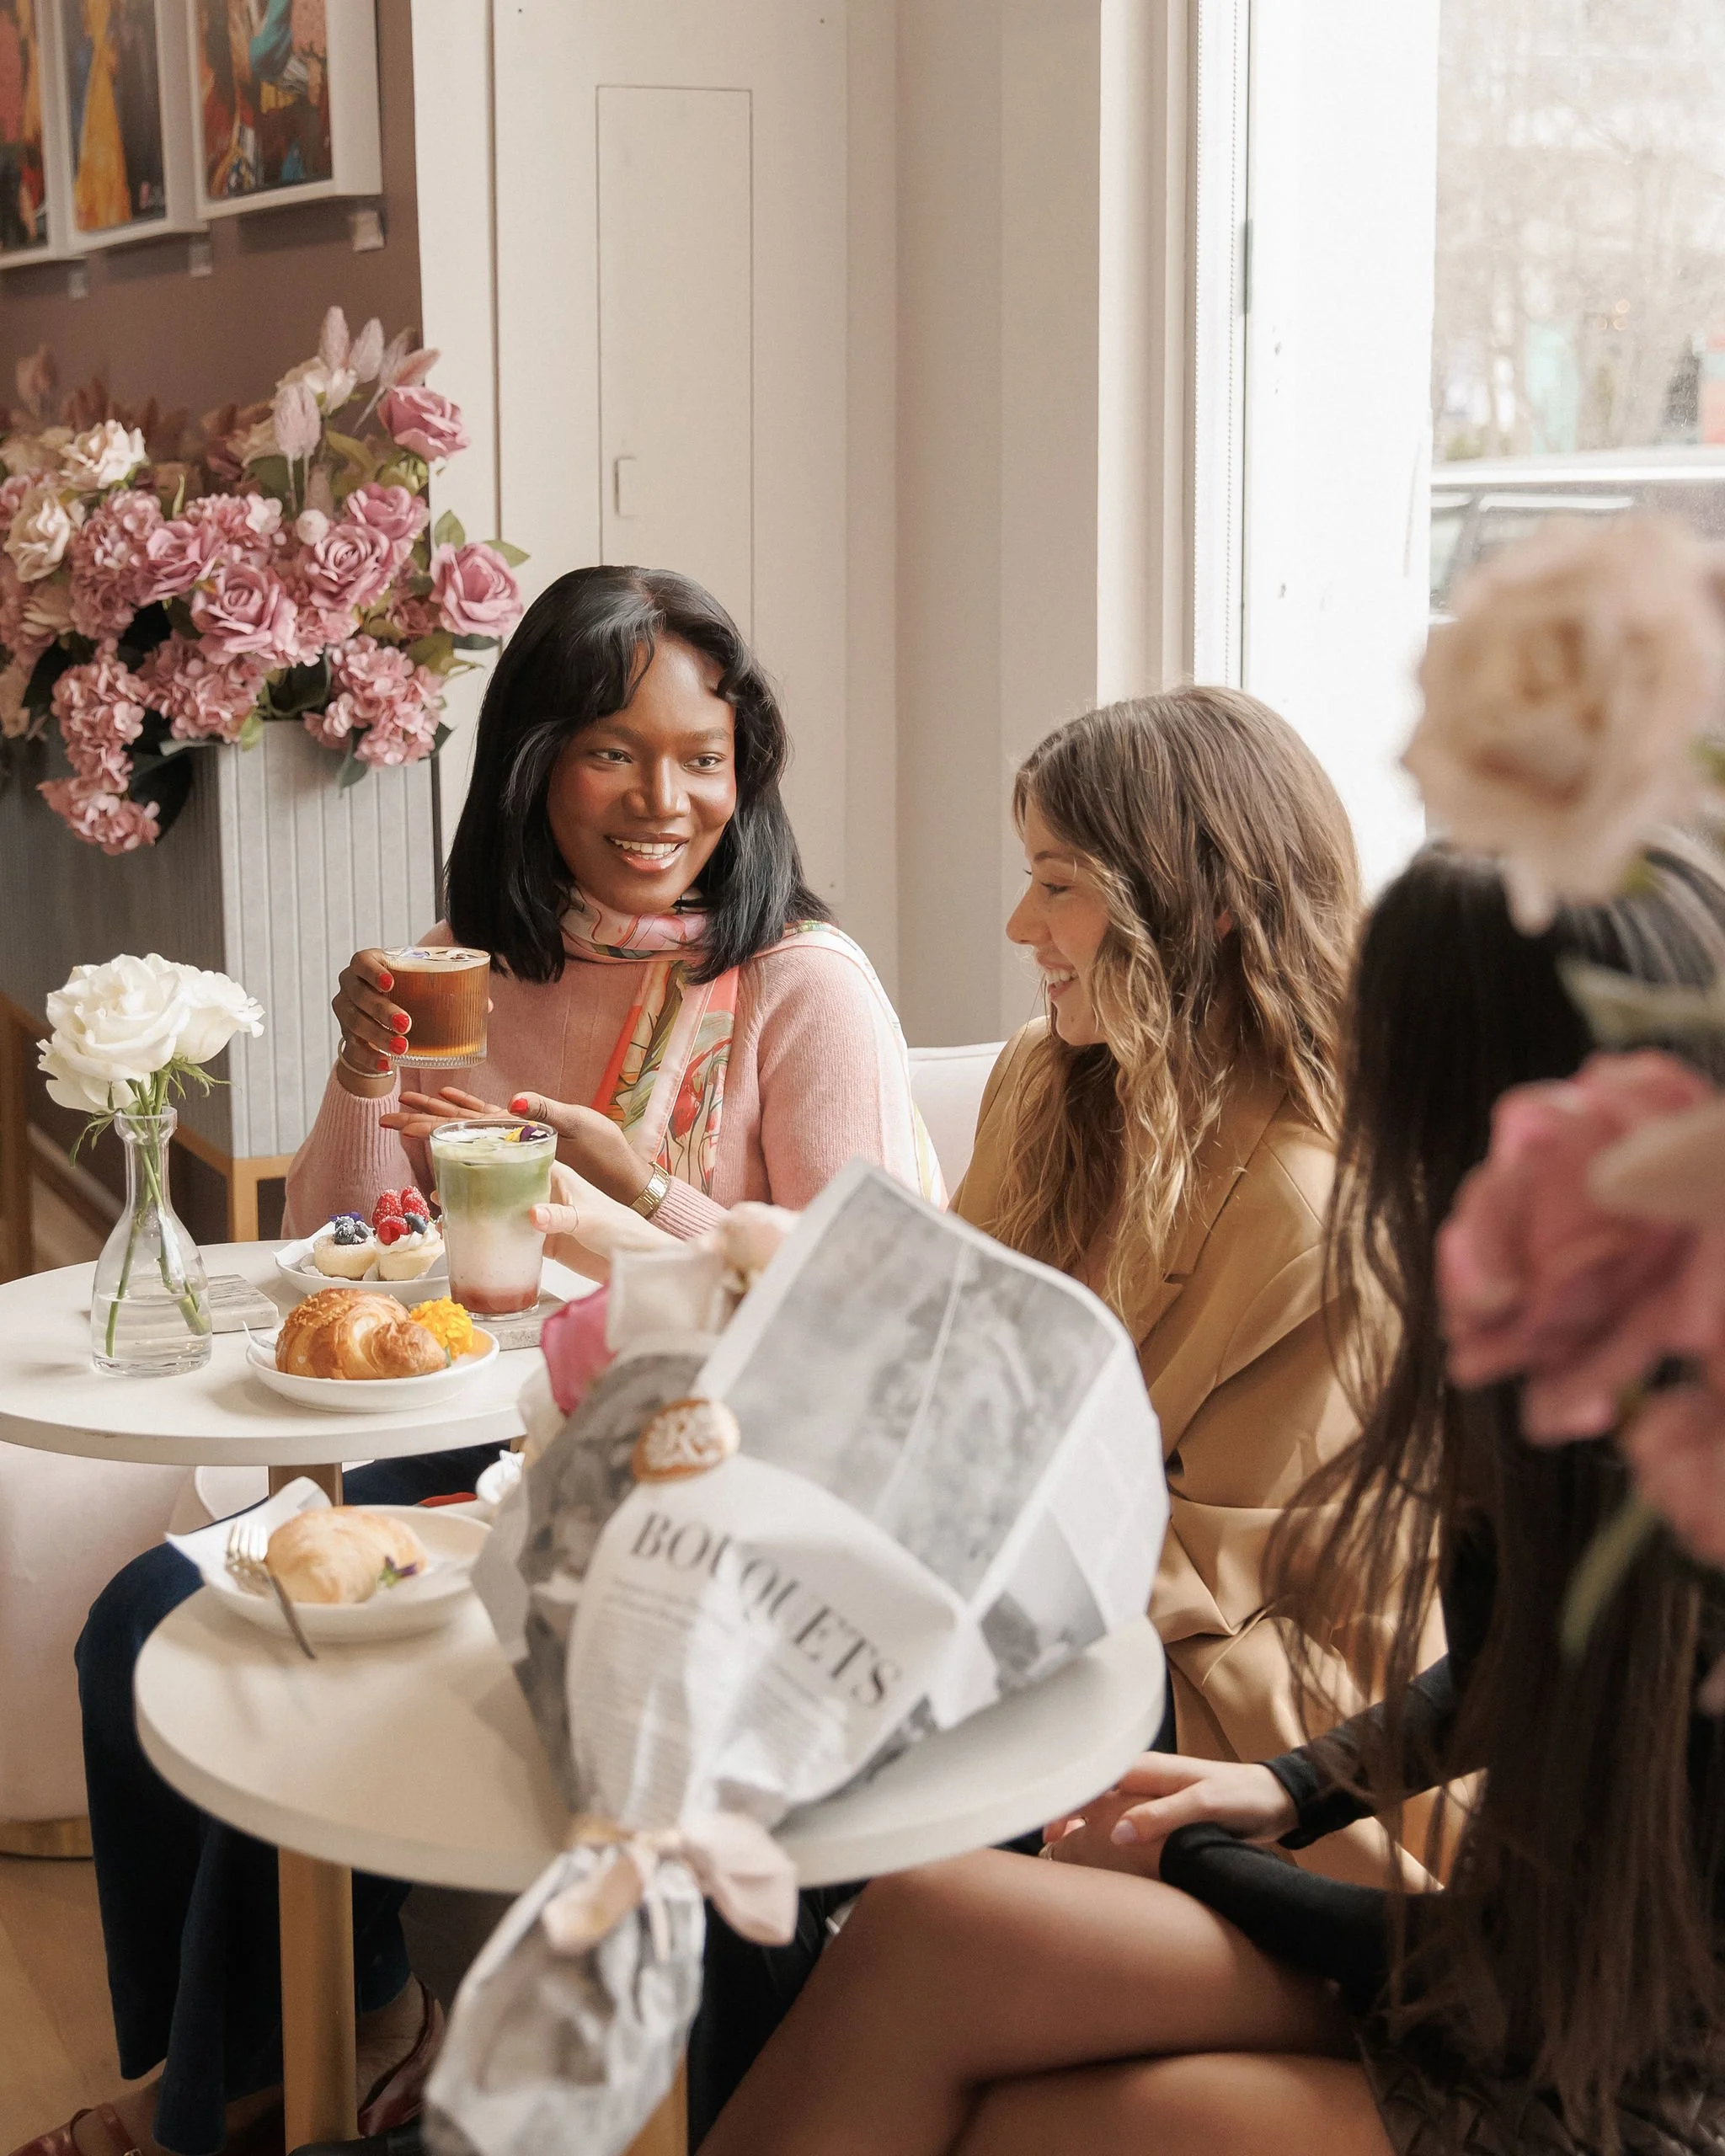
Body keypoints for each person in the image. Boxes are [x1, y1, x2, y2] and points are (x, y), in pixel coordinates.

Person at [24, 566, 934, 2156]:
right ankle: (313, 2035)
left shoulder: (796, 986)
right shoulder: (467, 959)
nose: (668, 801)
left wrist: (616, 1210)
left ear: (749, 770)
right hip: (459, 1450)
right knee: (149, 1626)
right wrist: (358, 1082)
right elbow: (317, 1254)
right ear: (531, 760)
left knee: (310, 1647)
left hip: (699, 1494)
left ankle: (235, 2098)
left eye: (704, 757)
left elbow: (861, 1327)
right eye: (613, 751)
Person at [702, 840, 1725, 2156]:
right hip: (1513, 1979)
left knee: (1037, 2120)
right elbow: (1530, 1658)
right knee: (927, 1923)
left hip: (1612, 2076)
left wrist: (1193, 1861)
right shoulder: (1564, 1331)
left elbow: (1535, 1972)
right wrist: (1290, 1791)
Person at [690, 686, 1422, 2143]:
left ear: (1199, 912)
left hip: (1236, 1732)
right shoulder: (1046, 1085)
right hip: (1014, 1637)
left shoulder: (1312, 1209)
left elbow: (1232, 1601)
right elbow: (948, 1370)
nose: (1022, 927)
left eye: (1060, 885)